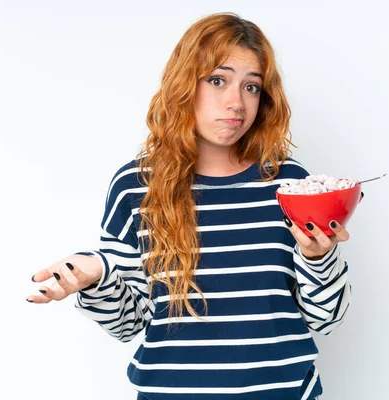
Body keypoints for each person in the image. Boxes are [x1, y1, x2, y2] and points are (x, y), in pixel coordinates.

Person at [27, 12, 352, 400]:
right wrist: (94, 282)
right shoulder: (135, 186)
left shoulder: (290, 184)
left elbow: (326, 318)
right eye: (218, 80)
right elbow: (128, 324)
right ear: (185, 85)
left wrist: (318, 258)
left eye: (252, 87)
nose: (236, 102)